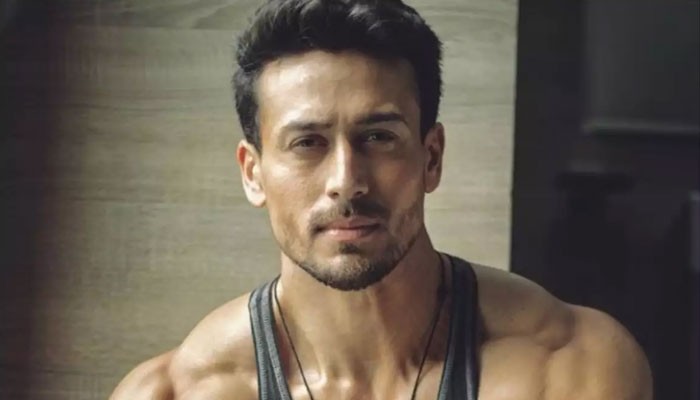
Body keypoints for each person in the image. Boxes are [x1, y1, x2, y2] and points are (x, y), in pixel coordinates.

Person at [110, 0, 653, 398]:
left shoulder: (570, 369)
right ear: (253, 174)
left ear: (431, 158)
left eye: (378, 137)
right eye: (307, 143)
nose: (346, 181)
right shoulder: (173, 393)